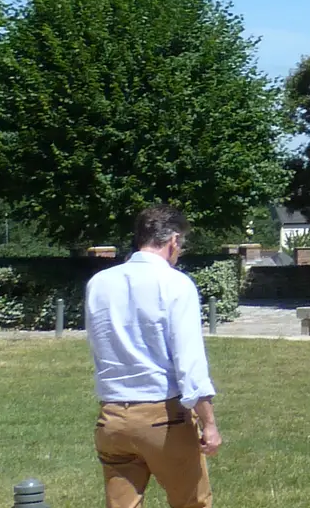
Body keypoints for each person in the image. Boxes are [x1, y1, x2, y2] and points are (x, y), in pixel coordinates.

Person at [86, 205, 219, 508]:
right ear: (173, 240)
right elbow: (190, 363)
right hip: (162, 415)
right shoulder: (175, 283)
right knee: (192, 503)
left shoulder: (99, 284)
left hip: (112, 416)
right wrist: (209, 423)